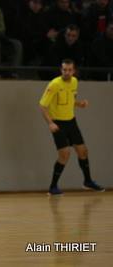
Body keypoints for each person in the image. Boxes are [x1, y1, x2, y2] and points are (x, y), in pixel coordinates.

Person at [39, 59, 105, 195]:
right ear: (61, 70)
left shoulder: (74, 82)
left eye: (69, 70)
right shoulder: (55, 84)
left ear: (74, 71)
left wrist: (79, 104)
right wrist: (50, 123)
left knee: (83, 151)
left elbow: (70, 100)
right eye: (64, 70)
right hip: (58, 122)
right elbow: (42, 105)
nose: (67, 72)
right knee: (64, 154)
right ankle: (53, 187)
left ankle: (88, 181)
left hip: (71, 122)